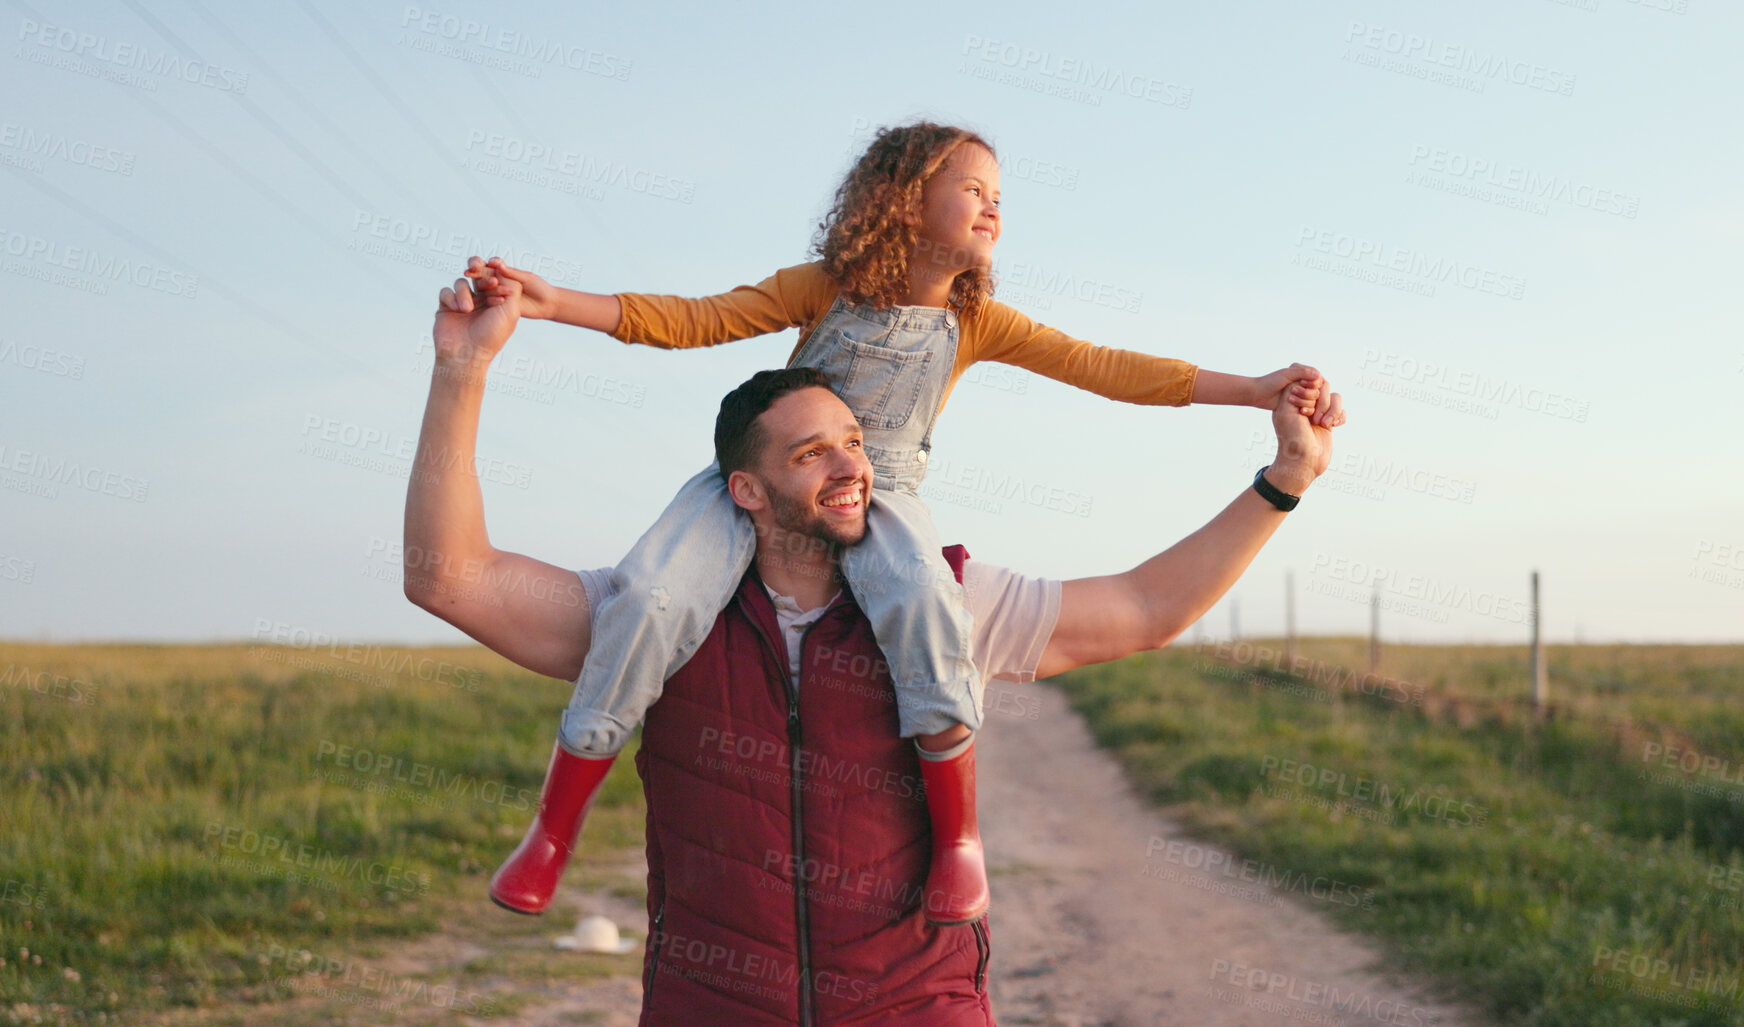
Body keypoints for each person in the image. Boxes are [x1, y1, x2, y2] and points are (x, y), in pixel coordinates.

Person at [461, 120, 1346, 924]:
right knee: (651, 595)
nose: (993, 208)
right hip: (771, 480)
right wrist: (550, 301)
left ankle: (958, 839)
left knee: (926, 599)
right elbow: (695, 319)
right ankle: (552, 828)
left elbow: (1104, 366)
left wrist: (1256, 387)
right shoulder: (822, 288)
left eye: (1000, 196)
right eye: (973, 188)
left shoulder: (975, 323)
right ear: (903, 198)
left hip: (884, 498)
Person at [406, 268, 1344, 1024]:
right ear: (745, 490)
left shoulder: (944, 597)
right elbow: (448, 576)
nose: (852, 464)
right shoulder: (648, 618)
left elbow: (1144, 606)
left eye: (853, 440)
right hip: (711, 1000)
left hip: (915, 1001)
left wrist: (1283, 481)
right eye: (811, 452)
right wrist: (463, 371)